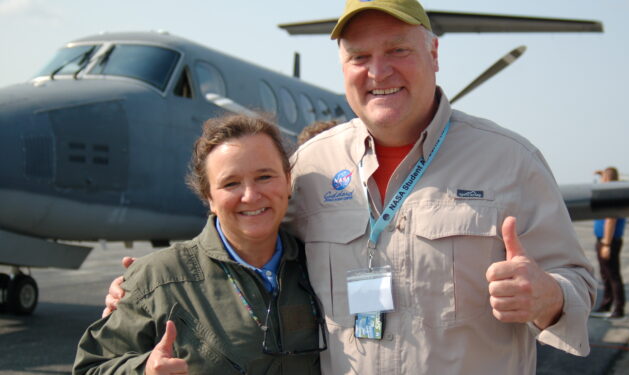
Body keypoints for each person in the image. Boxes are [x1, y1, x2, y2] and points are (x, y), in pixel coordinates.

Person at [104, 1, 596, 373]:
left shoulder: (511, 160)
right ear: (342, 66)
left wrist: (550, 297)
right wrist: (149, 290)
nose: (378, 72)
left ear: (434, 52)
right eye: (359, 56)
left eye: (398, 50)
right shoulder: (311, 164)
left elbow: (577, 281)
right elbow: (244, 252)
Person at [75, 115, 325, 374]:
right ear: (209, 197)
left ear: (287, 180)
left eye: (264, 177)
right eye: (231, 183)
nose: (250, 195)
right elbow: (91, 368)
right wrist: (143, 370)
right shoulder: (158, 280)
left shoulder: (320, 262)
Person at [591, 167, 628, 319]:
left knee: (612, 275)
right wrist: (602, 173)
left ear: (606, 179)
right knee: (606, 274)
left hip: (609, 241)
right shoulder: (614, 190)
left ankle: (618, 309)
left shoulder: (612, 195)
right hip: (606, 240)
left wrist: (606, 244)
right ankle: (606, 304)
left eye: (602, 178)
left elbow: (610, 220)